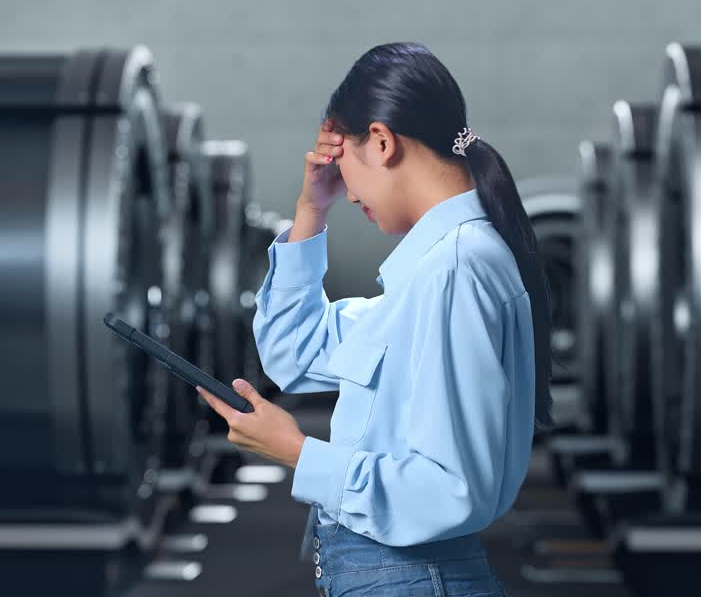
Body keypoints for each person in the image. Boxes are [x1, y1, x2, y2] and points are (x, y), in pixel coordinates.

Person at [196, 42, 554, 597]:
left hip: (411, 578)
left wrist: (296, 452)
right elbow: (296, 353)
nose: (347, 189)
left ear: (382, 141)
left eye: (344, 164)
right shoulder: (430, 274)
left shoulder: (455, 270)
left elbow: (450, 489)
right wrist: (311, 210)